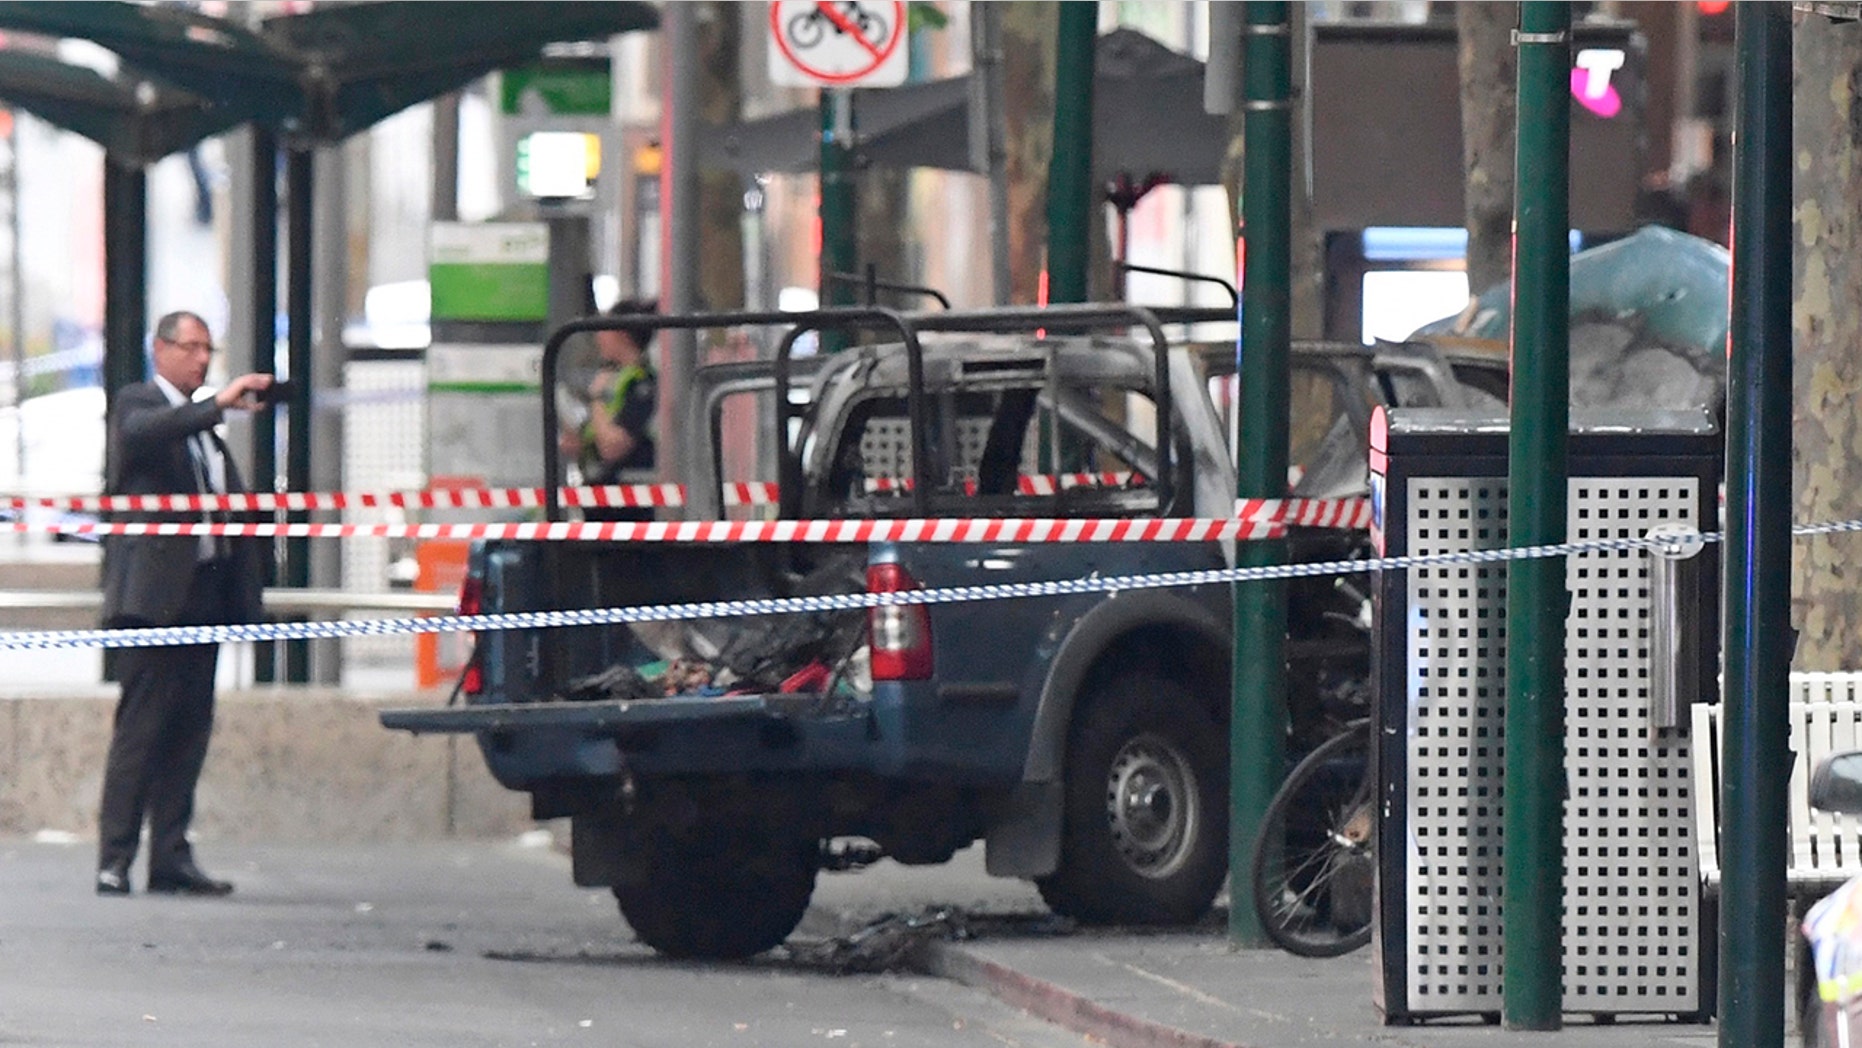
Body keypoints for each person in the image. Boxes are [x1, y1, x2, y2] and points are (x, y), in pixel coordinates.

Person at [95, 311, 274, 897]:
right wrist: (218, 403)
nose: (201, 359)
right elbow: (150, 432)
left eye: (208, 348)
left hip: (204, 594)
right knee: (141, 729)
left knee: (189, 730)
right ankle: (114, 857)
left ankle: (171, 855)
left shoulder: (205, 433)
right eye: (191, 347)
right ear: (161, 349)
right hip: (153, 603)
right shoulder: (138, 405)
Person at [558, 300, 658, 522]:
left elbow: (613, 446)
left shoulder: (642, 384)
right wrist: (581, 442)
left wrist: (597, 398)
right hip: (601, 501)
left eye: (605, 330)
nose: (598, 337)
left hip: (629, 507)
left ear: (622, 334)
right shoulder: (612, 379)